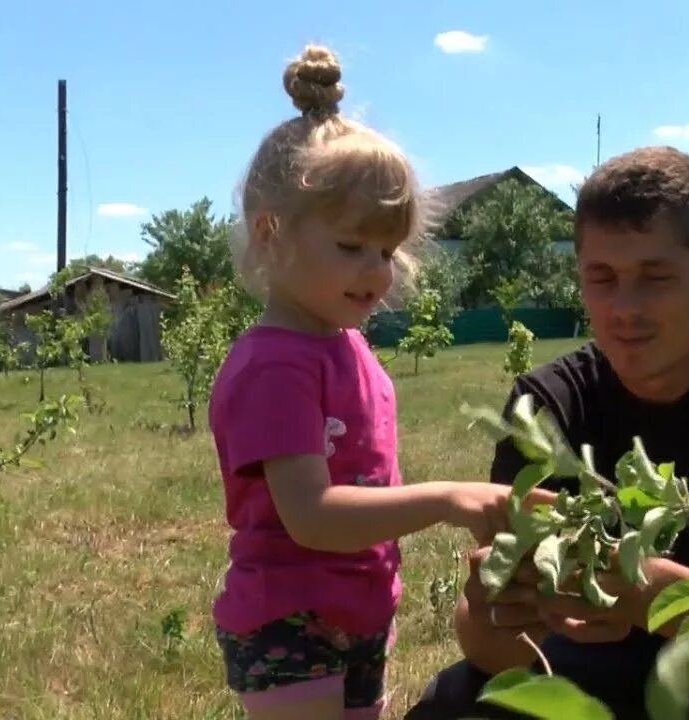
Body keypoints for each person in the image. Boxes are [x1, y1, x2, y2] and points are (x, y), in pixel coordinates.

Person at [405, 146, 689, 720]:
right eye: (602, 278)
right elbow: (495, 652)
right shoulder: (547, 403)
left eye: (654, 277)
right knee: (454, 704)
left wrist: (659, 598)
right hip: (590, 669)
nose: (624, 307)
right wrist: (494, 609)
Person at [207, 44, 546, 720]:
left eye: (387, 251)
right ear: (271, 234)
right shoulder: (274, 364)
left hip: (359, 608)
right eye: (351, 247)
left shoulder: (351, 349)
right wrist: (449, 498)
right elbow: (311, 516)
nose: (377, 271)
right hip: (290, 623)